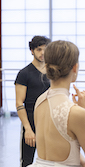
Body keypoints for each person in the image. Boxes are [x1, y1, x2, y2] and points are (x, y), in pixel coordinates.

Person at [28, 40, 85, 167]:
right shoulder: (77, 113)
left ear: (46, 67)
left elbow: (61, 143)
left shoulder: (39, 101)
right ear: (75, 67)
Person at [15, 35, 51, 167]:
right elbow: (19, 103)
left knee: (51, 161)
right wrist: (28, 129)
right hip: (31, 122)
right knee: (27, 161)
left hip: (50, 123)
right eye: (39, 49)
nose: (42, 53)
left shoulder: (53, 72)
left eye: (45, 49)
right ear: (32, 51)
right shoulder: (24, 73)